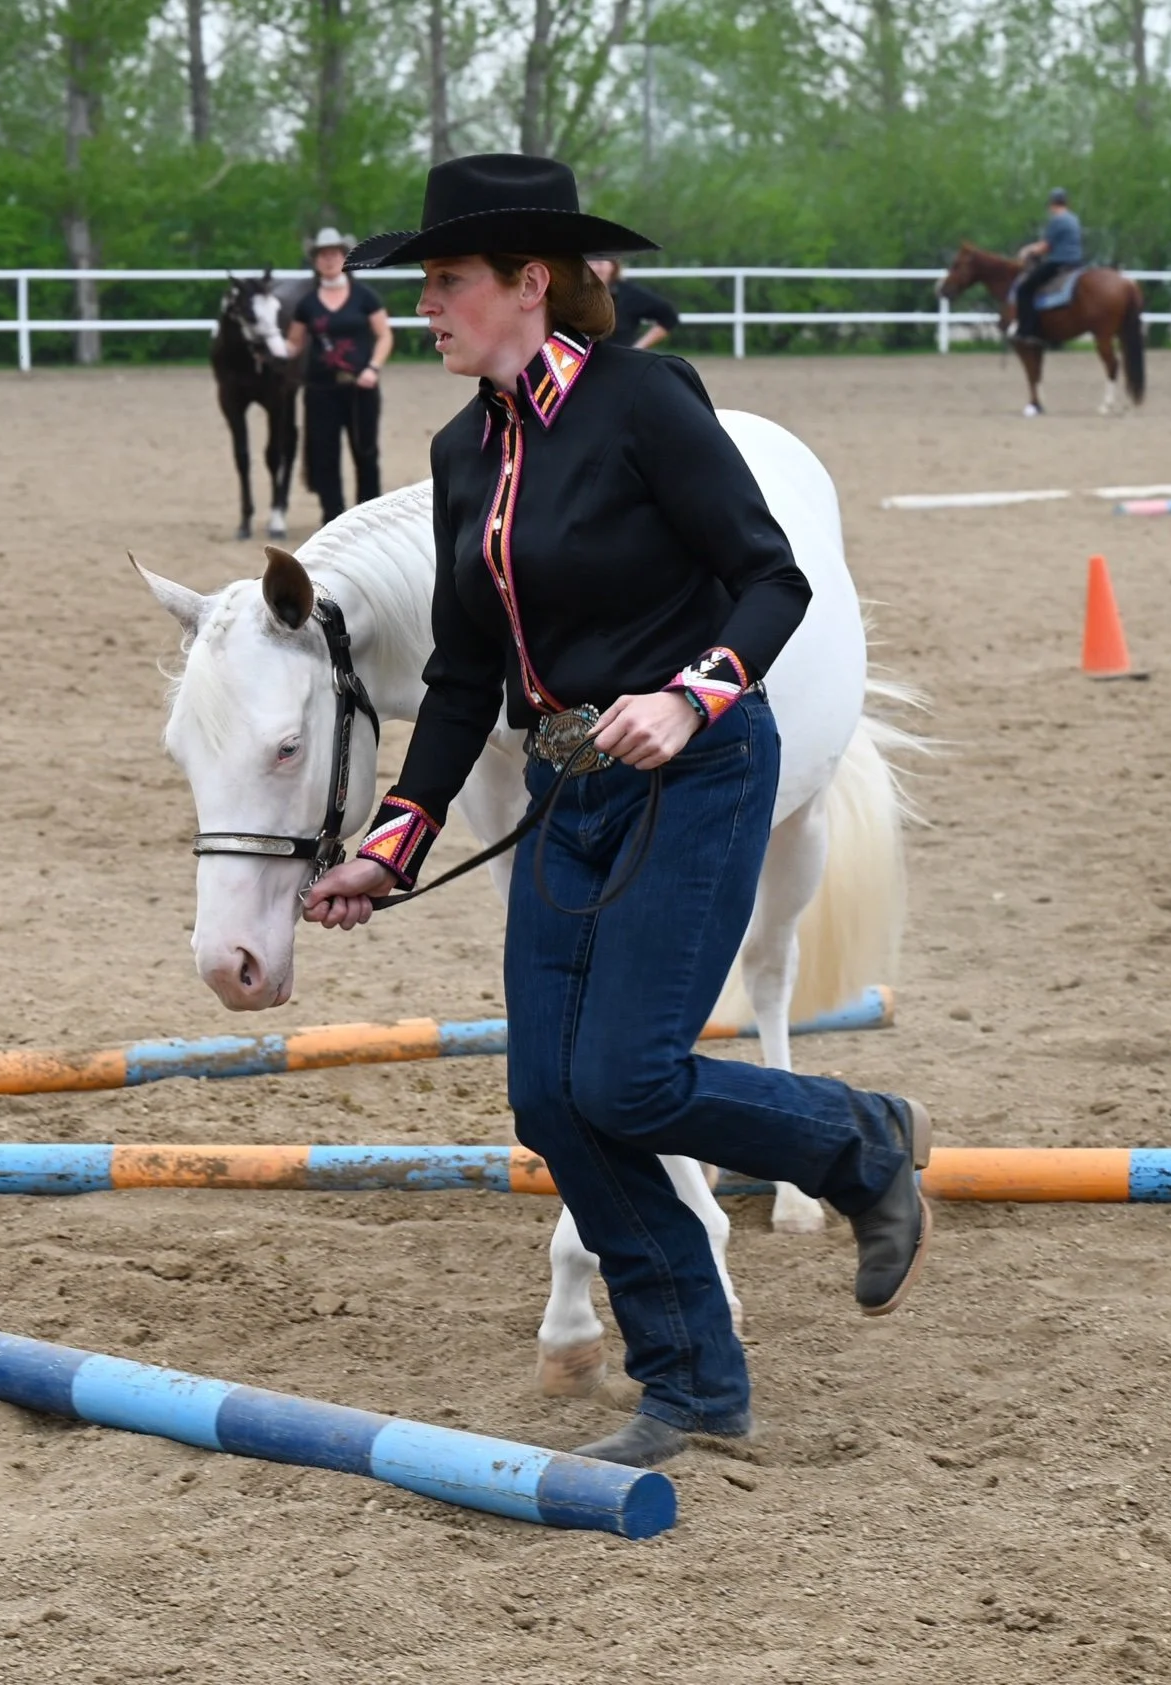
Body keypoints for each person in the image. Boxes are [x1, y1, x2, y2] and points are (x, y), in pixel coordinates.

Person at [302, 154, 933, 1471]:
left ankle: (859, 1142)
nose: (424, 305)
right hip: (565, 791)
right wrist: (395, 839)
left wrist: (696, 695)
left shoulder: (645, 401)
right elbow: (469, 671)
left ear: (530, 282)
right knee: (551, 1095)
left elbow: (770, 580)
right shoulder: (461, 449)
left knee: (628, 1078)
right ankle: (697, 1378)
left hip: (699, 772)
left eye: (447, 281)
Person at [288, 227, 394, 524]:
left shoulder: (365, 297)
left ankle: (369, 517)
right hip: (320, 390)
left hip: (361, 388)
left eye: (334, 253)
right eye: (323, 254)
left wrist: (373, 368)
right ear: (316, 260)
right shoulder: (307, 304)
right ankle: (331, 518)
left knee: (366, 452)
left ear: (344, 257)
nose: (329, 259)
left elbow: (384, 335)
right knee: (324, 455)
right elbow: (293, 344)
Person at [1010, 187, 1084, 343]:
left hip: (1059, 262)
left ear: (1052, 204)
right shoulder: (1074, 219)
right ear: (1066, 203)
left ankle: (1026, 331)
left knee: (1024, 289)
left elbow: (1045, 247)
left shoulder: (1057, 220)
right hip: (1076, 263)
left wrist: (1027, 251)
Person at [589, 255, 679, 348]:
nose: (594, 268)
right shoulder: (573, 293)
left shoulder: (630, 294)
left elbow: (668, 317)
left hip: (618, 359)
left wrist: (638, 348)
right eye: (589, 263)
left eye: (599, 263)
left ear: (613, 265)